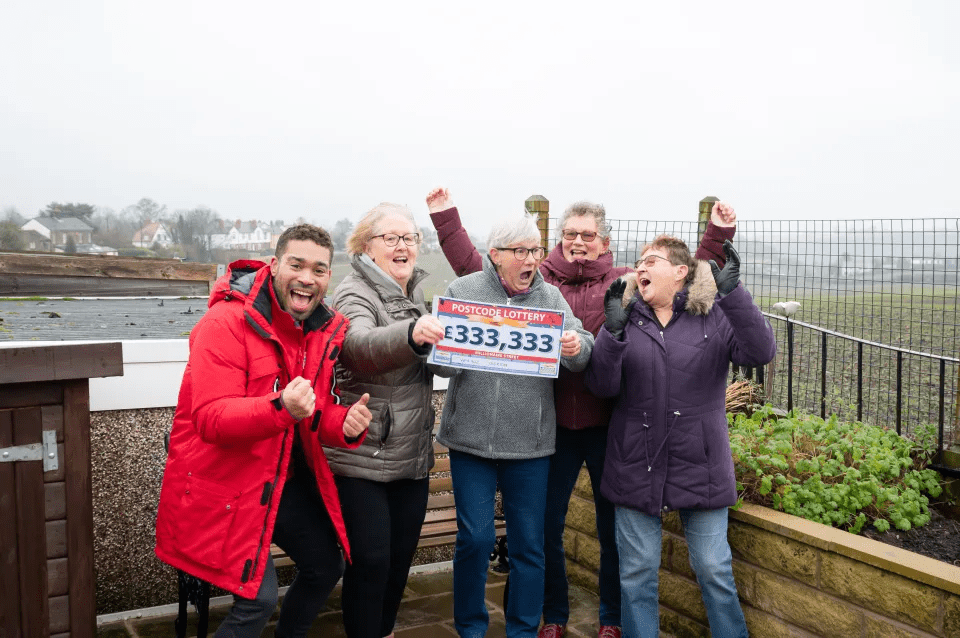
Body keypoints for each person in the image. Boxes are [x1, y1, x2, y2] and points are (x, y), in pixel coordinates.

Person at [426, 187, 736, 638]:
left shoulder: (627, 282)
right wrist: (445, 219)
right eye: (569, 233)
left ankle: (610, 618)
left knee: (612, 531)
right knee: (542, 531)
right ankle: (552, 617)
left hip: (607, 423)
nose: (578, 241)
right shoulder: (541, 278)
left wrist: (717, 234)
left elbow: (683, 278)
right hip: (551, 424)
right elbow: (476, 277)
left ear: (605, 242)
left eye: (588, 235)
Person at [155, 224, 374, 638]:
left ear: (329, 277)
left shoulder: (318, 331)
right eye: (297, 264)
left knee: (327, 564)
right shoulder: (224, 323)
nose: (307, 278)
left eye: (319, 269)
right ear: (274, 266)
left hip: (277, 482)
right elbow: (211, 419)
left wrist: (341, 423)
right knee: (257, 600)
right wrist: (280, 408)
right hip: (224, 484)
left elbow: (313, 411)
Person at [586, 234, 776, 638]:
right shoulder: (626, 317)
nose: (640, 268)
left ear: (680, 271)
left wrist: (734, 294)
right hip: (635, 463)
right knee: (636, 576)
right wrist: (612, 336)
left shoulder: (714, 315)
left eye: (651, 260)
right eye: (638, 262)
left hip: (701, 463)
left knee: (713, 569)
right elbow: (601, 386)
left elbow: (760, 352)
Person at [431, 213, 595, 638]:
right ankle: (470, 627)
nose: (531, 261)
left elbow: (581, 351)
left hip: (531, 447)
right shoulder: (463, 291)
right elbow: (440, 368)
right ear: (495, 255)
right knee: (475, 540)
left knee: (528, 546)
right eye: (520, 252)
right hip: (470, 443)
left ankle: (522, 630)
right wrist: (437, 345)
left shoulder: (551, 298)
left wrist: (577, 346)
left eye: (536, 251)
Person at [324, 203, 445, 638]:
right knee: (371, 561)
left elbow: (431, 361)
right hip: (364, 453)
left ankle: (385, 631)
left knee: (398, 560)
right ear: (366, 247)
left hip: (410, 453)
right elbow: (357, 346)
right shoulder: (353, 292)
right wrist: (413, 336)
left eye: (410, 238)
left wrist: (454, 354)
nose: (403, 246)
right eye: (391, 238)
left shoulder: (412, 293)